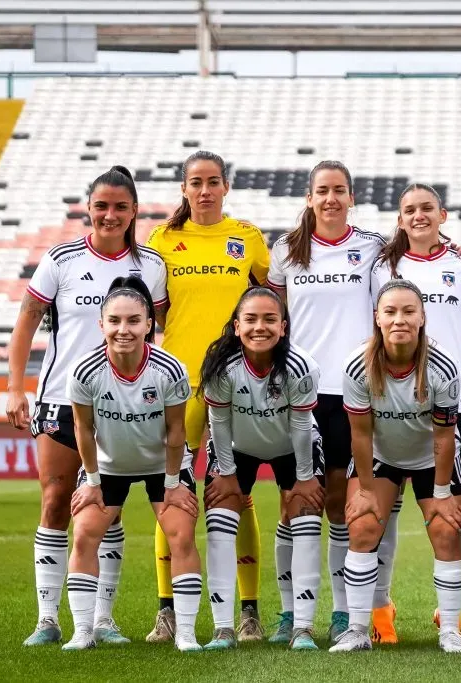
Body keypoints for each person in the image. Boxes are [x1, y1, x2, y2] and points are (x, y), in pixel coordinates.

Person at [6, 166, 167, 647]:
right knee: (55, 502)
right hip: (59, 399)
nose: (110, 215)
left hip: (124, 405)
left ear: (134, 210)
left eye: (120, 206)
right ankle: (47, 619)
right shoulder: (61, 259)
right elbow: (27, 320)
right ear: (88, 209)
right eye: (102, 205)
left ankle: (102, 619)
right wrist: (16, 388)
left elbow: (157, 333)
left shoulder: (152, 266)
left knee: (108, 509)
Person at [144, 150, 270, 642]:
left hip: (235, 386)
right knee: (172, 493)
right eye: (195, 182)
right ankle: (168, 610)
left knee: (236, 497)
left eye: (213, 181)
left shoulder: (247, 238)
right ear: (183, 188)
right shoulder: (163, 240)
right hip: (176, 385)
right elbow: (150, 310)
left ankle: (250, 613)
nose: (204, 190)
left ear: (225, 187)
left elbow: (276, 297)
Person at [368, 183, 461, 642]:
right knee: (379, 514)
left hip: (451, 404)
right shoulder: (380, 265)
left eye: (427, 208)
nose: (419, 215)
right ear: (400, 217)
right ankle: (379, 611)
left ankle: (450, 616)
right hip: (386, 401)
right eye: (410, 209)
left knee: (450, 513)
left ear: (443, 214)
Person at [266, 160, 387, 642]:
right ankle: (289, 615)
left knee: (339, 503)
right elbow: (274, 315)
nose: (331, 198)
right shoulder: (286, 250)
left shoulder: (373, 248)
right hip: (298, 389)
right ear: (310, 197)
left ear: (351, 196)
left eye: (340, 190)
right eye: (322, 190)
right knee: (294, 503)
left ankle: (341, 612)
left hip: (352, 390)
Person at [62, 277, 202, 652]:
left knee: (181, 535)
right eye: (115, 321)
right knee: (84, 532)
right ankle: (83, 631)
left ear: (148, 324)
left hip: (163, 465)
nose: (124, 330)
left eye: (134, 321)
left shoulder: (170, 370)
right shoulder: (84, 370)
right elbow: (83, 426)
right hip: (107, 466)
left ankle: (185, 634)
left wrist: (173, 482)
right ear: (102, 324)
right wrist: (91, 481)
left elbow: (176, 429)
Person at [330, 279, 461, 654]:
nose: (399, 319)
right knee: (361, 527)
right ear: (377, 317)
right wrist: (367, 491)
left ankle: (450, 630)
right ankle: (358, 630)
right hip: (382, 453)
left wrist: (441, 493)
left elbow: (444, 436)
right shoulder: (357, 365)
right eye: (390, 312)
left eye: (409, 311)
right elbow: (359, 434)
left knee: (446, 531)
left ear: (422, 317)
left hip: (432, 458)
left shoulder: (444, 367)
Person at [197, 287, 326, 651]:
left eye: (270, 319)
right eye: (250, 319)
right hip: (238, 448)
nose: (260, 327)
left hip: (293, 447)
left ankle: (301, 627)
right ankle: (224, 628)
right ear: (236, 326)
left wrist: (303, 478)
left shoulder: (301, 366)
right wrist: (225, 472)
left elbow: (302, 427)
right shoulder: (221, 366)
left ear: (283, 327)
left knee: (304, 516)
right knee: (220, 519)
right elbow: (218, 422)